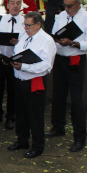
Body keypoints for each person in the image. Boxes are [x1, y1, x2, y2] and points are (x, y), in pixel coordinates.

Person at [47, 0, 87, 152]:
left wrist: (74, 43)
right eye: (65, 5)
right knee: (58, 95)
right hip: (61, 58)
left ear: (78, 4)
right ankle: (58, 127)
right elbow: (54, 33)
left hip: (75, 60)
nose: (66, 9)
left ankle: (80, 137)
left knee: (76, 100)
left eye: (69, 6)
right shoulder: (61, 15)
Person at [7, 12, 57, 158]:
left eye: (28, 25)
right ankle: (22, 140)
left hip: (35, 81)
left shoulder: (46, 40)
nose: (26, 28)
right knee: (21, 113)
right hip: (20, 80)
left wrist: (24, 67)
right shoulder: (24, 36)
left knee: (35, 115)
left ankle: (37, 146)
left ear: (38, 24)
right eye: (24, 25)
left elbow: (47, 66)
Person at [0, 0, 24, 130]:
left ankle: (11, 117)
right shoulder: (0, 19)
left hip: (15, 62)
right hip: (0, 59)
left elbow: (29, 42)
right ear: (7, 5)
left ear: (21, 6)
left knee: (13, 90)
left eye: (18, 3)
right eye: (12, 3)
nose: (15, 6)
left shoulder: (25, 21)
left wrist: (19, 42)